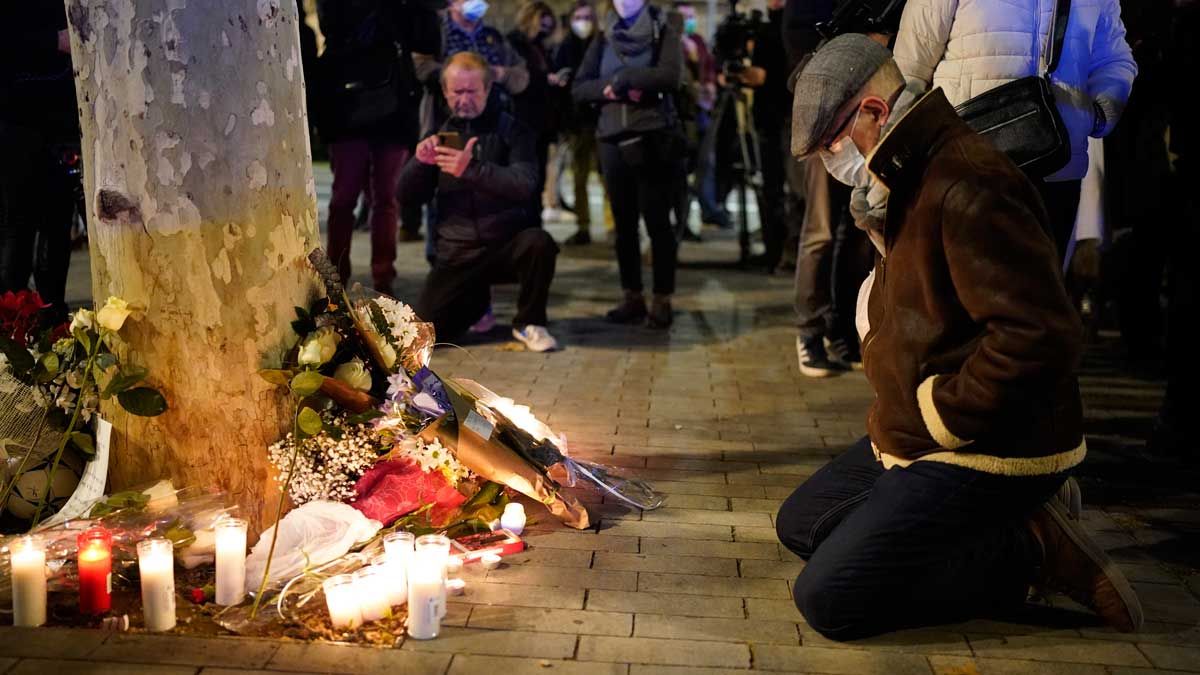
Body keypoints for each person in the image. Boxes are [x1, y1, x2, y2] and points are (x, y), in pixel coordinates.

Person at [775, 34, 1142, 640]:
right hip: (911, 430)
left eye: (836, 140)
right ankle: (988, 527)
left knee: (830, 598)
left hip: (986, 440)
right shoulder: (903, 175)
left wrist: (941, 414)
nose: (836, 158)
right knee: (804, 524)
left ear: (873, 112)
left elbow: (1042, 336)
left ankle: (1031, 551)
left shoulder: (967, 180)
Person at [892, 0, 1138, 262]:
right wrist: (887, 183)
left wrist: (1097, 117)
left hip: (1057, 174)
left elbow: (1113, 59)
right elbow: (907, 76)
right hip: (966, 174)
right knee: (967, 295)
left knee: (1042, 297)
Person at [401, 52, 559, 353]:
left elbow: (524, 183)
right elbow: (406, 198)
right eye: (457, 91)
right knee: (422, 338)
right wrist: (418, 165)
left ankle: (530, 321)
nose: (464, 99)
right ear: (445, 93)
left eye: (472, 91)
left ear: (487, 90)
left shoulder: (513, 130)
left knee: (539, 243)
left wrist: (471, 170)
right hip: (457, 254)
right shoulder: (441, 136)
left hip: (506, 245)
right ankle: (475, 305)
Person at [573, 0, 686, 329]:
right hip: (610, 139)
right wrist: (613, 90)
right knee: (624, 225)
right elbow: (581, 86)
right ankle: (632, 296)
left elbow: (670, 76)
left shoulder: (662, 30)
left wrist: (625, 78)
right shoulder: (603, 35)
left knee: (657, 222)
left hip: (650, 138)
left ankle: (662, 298)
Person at [314, 0, 437, 296]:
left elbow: (427, 40)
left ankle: (384, 279)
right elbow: (333, 24)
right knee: (344, 197)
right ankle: (335, 279)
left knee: (387, 198)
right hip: (347, 104)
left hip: (392, 106)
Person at [0, 5, 79, 321]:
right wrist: (54, 40)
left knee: (58, 223)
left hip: (60, 120)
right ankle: (11, 330)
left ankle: (53, 320)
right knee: (16, 227)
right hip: (14, 119)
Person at [554, 1, 604, 245]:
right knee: (579, 177)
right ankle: (583, 226)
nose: (583, 22)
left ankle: (614, 224)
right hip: (577, 122)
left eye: (587, 17)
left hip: (602, 120)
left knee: (608, 176)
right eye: (578, 17)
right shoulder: (565, 48)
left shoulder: (603, 44)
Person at [508, 2, 559, 227]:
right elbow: (519, 79)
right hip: (522, 118)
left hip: (541, 121)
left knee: (538, 178)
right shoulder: (514, 43)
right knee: (523, 176)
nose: (545, 28)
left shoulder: (540, 46)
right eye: (542, 22)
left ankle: (534, 224)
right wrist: (544, 79)